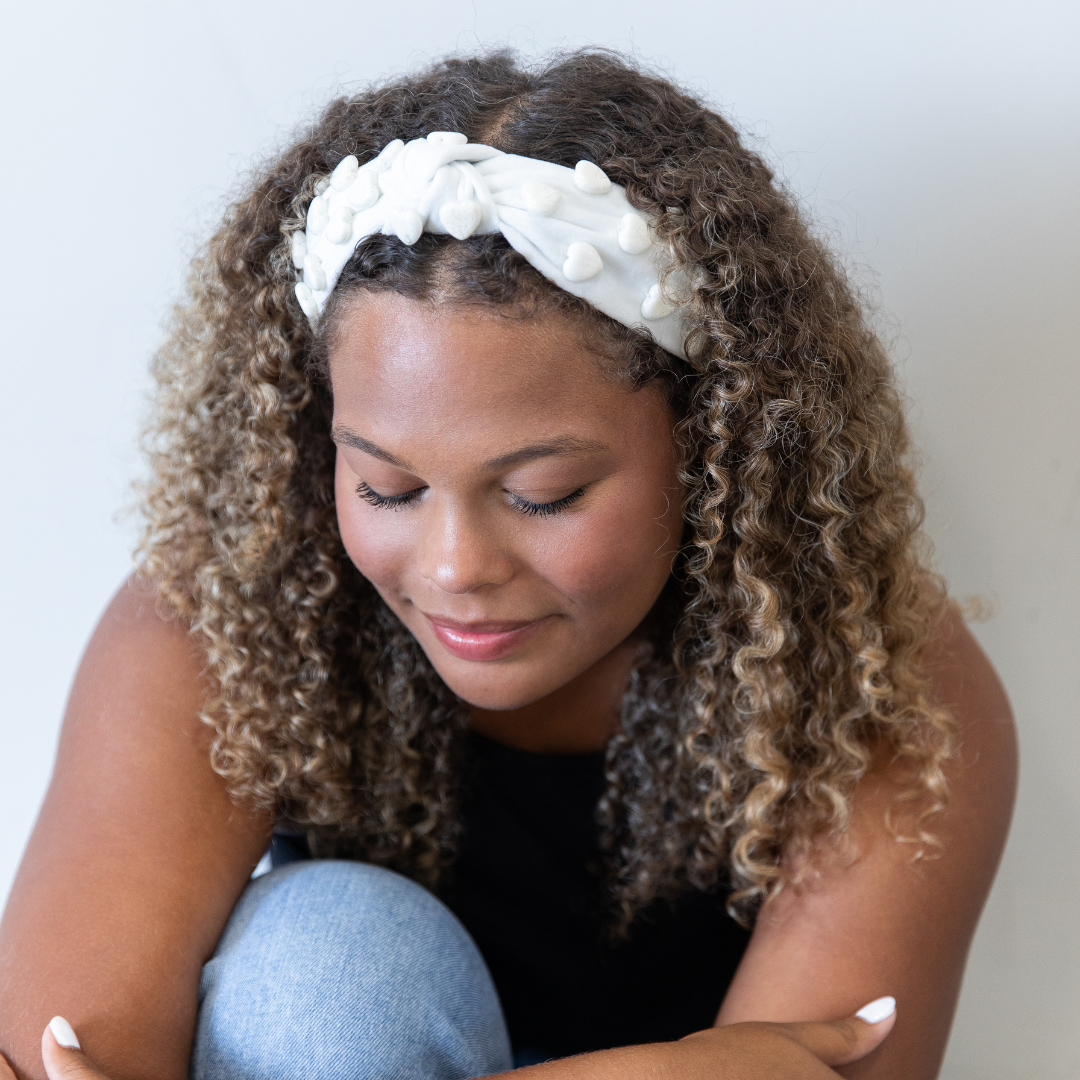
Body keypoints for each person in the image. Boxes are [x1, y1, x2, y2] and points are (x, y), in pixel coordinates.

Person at [0, 49, 1016, 1080]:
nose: (455, 569)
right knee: (329, 956)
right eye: (387, 488)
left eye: (543, 494)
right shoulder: (231, 616)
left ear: (715, 444)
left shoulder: (876, 685)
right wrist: (656, 1073)